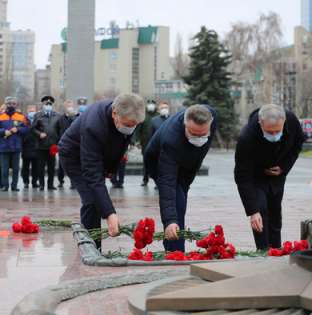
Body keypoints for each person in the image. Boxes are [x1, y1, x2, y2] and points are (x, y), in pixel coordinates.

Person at [59, 94, 145, 248]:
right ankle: (91, 247)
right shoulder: (94, 126)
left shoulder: (125, 117)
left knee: (96, 198)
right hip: (74, 157)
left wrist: (110, 169)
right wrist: (110, 214)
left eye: (134, 125)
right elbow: (92, 174)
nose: (130, 128)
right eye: (128, 124)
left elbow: (120, 146)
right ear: (114, 114)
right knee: (91, 200)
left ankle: (92, 244)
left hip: (98, 154)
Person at [145, 104, 216, 252]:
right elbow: (167, 184)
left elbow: (198, 154)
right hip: (158, 162)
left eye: (203, 134)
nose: (199, 138)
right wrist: (170, 220)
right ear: (185, 124)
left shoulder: (211, 117)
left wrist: (186, 183)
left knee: (181, 197)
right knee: (177, 204)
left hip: (186, 164)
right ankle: (175, 253)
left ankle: (170, 244)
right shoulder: (171, 140)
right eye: (194, 133)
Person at [234, 104, 304, 250]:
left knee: (275, 215)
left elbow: (298, 144)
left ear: (284, 122)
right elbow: (242, 175)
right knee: (261, 210)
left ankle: (276, 251)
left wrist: (284, 167)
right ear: (260, 123)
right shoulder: (246, 137)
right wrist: (252, 211)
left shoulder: (291, 121)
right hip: (256, 176)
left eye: (277, 131)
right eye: (269, 132)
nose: (274, 136)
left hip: (278, 175)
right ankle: (263, 251)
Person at [0, 97, 28, 191]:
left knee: (16, 169)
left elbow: (26, 129)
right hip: (4, 146)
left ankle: (14, 186)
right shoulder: (1, 116)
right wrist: (4, 132)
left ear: (16, 105)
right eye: (9, 104)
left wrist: (18, 129)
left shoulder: (21, 117)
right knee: (4, 169)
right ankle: (5, 186)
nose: (11, 105)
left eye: (13, 104)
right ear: (6, 104)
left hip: (16, 147)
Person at [32, 96, 60, 191]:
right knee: (41, 166)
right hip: (41, 145)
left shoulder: (57, 115)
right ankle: (41, 184)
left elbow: (60, 130)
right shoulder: (38, 115)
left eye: (50, 104)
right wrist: (39, 134)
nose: (48, 105)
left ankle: (50, 184)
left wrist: (58, 142)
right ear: (43, 105)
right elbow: (33, 128)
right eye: (46, 104)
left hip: (52, 145)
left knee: (51, 166)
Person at [54, 99, 78, 188]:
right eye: (67, 106)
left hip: (74, 144)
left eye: (70, 105)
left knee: (74, 164)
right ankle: (61, 181)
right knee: (61, 164)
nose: (69, 107)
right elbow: (56, 130)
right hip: (63, 144)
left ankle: (74, 183)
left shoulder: (77, 117)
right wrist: (58, 142)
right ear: (65, 107)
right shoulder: (60, 118)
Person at [135, 99, 158, 186]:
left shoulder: (159, 115)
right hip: (145, 143)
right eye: (149, 104)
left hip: (157, 143)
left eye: (152, 104)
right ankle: (145, 179)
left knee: (157, 162)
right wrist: (136, 140)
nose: (151, 105)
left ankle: (157, 181)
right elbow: (138, 130)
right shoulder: (143, 116)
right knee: (146, 162)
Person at [22, 105, 40, 189]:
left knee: (35, 167)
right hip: (26, 147)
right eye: (30, 110)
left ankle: (34, 182)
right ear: (27, 111)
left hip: (36, 147)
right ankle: (25, 182)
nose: (31, 112)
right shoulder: (23, 121)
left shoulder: (39, 121)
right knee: (25, 166)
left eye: (33, 110)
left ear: (36, 111)